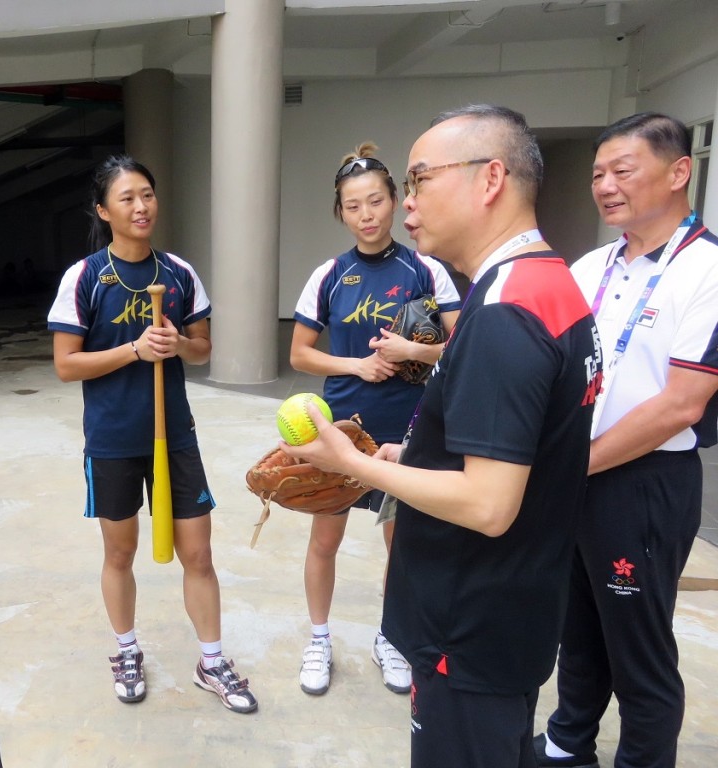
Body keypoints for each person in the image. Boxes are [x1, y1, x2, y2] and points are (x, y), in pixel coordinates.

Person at [283, 105, 601, 768]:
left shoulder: (504, 313)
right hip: (511, 612)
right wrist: (415, 454)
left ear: (490, 180)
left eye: (419, 181)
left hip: (471, 626)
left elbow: (488, 504)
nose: (404, 207)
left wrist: (355, 464)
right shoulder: (547, 285)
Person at [536, 113, 718, 768]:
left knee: (637, 650)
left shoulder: (706, 270)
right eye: (597, 174)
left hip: (643, 486)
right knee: (576, 629)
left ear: (678, 172)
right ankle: (565, 745)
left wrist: (571, 464)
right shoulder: (592, 265)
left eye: (623, 170)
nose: (606, 186)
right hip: (576, 475)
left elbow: (681, 404)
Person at [47, 155, 257, 714]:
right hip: (114, 439)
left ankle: (211, 661)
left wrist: (176, 345)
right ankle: (126, 649)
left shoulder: (179, 273)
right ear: (103, 210)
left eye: (148, 195)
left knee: (199, 552)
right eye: (126, 198)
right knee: (121, 552)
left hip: (176, 437)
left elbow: (202, 346)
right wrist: (133, 351)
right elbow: (67, 365)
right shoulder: (85, 277)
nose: (141, 207)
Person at [289, 141, 460, 697]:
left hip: (410, 429)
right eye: (353, 205)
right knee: (324, 541)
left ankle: (391, 636)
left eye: (376, 201)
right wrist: (358, 365)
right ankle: (319, 639)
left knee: (401, 545)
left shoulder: (427, 269)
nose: (366, 215)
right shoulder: (329, 275)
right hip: (342, 430)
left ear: (397, 201)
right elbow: (300, 354)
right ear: (341, 212)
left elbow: (463, 346)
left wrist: (414, 353)